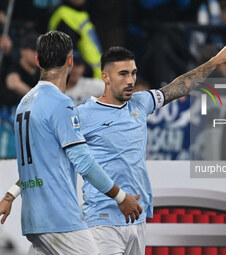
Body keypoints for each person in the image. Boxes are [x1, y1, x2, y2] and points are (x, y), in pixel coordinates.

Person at [1, 33, 226, 254]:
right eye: (123, 74)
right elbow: (49, 159)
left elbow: (180, 86)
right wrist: (13, 193)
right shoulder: (81, 115)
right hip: (103, 219)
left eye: (134, 73)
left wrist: (216, 61)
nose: (131, 80)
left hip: (137, 218)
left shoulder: (141, 103)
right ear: (105, 77)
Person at [0, 30, 142, 255]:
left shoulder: (24, 104)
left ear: (38, 61)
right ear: (70, 60)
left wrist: (10, 194)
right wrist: (121, 197)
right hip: (59, 219)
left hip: (34, 220)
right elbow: (83, 162)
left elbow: (37, 162)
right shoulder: (61, 104)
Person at [49, 0, 102, 78]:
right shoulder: (64, 16)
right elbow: (67, 55)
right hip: (81, 79)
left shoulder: (80, 12)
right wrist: (87, 71)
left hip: (95, 77)